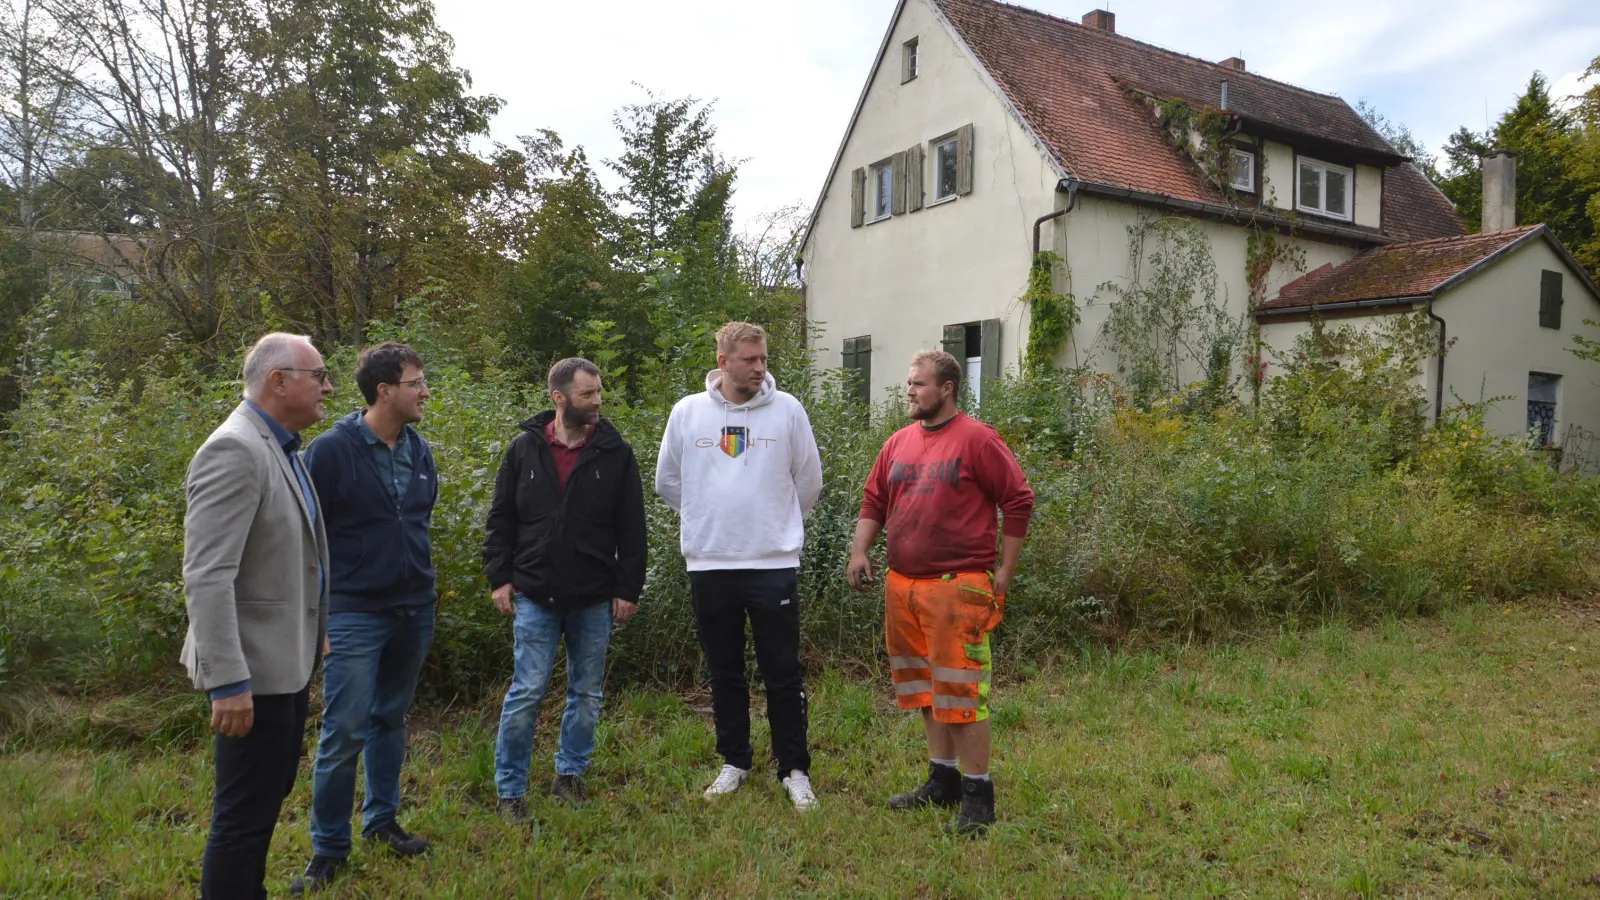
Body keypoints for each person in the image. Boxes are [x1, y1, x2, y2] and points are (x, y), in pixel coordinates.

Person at [846, 349, 1034, 836]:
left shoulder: (978, 440)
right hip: (903, 586)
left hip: (958, 589)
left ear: (946, 388)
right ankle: (942, 780)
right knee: (926, 691)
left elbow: (1018, 500)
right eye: (909, 383)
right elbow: (874, 500)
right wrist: (860, 551)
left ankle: (979, 797)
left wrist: (1004, 574)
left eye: (918, 384)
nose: (909, 391)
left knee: (963, 692)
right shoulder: (897, 443)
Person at [182, 332, 333, 899]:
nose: (328, 385)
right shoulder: (236, 449)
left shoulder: (279, 446)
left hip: (283, 663)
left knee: (266, 799)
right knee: (242, 816)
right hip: (250, 673)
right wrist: (228, 682)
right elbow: (207, 575)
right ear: (278, 381)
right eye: (318, 374)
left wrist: (313, 632)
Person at [654, 321, 825, 811]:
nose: (759, 366)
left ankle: (794, 769)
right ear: (723, 361)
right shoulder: (688, 412)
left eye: (764, 358)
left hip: (772, 562)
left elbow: (808, 481)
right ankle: (735, 762)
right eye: (749, 358)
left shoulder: (788, 409)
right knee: (723, 670)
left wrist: (772, 523)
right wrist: (713, 513)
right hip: (709, 562)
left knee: (782, 672)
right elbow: (668, 482)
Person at [291, 342, 439, 894]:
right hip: (353, 611)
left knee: (390, 719)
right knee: (344, 728)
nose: (425, 392)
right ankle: (329, 847)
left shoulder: (419, 449)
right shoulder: (331, 451)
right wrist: (320, 616)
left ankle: (381, 822)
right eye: (417, 382)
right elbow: (306, 537)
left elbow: (418, 521)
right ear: (384, 391)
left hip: (413, 606)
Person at [484, 358, 647, 821]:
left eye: (599, 392)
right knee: (527, 690)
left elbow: (631, 529)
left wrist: (627, 587)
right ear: (559, 398)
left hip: (594, 595)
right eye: (588, 394)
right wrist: (500, 576)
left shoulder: (615, 453)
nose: (598, 401)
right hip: (535, 593)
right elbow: (501, 520)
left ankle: (569, 775)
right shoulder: (523, 450)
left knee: (586, 693)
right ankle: (510, 789)